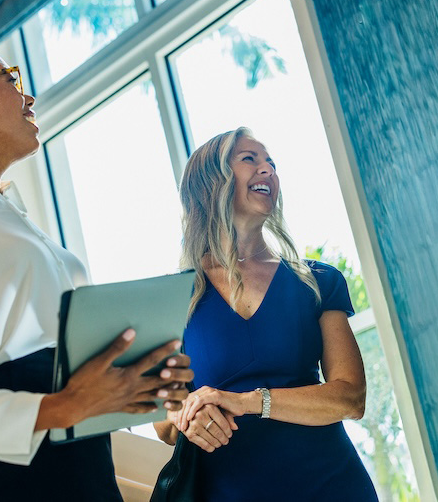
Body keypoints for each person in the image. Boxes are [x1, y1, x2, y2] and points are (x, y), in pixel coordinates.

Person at [0, 28, 193, 502]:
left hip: (86, 469)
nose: (26, 94)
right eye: (9, 78)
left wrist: (140, 384)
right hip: (9, 483)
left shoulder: (5, 213)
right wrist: (60, 407)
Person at [153, 127, 378, 500]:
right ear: (212, 183)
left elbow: (350, 398)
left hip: (331, 486)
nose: (268, 170)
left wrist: (247, 402)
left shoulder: (318, 281)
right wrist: (187, 414)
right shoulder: (172, 297)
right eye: (250, 159)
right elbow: (164, 424)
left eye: (271, 163)